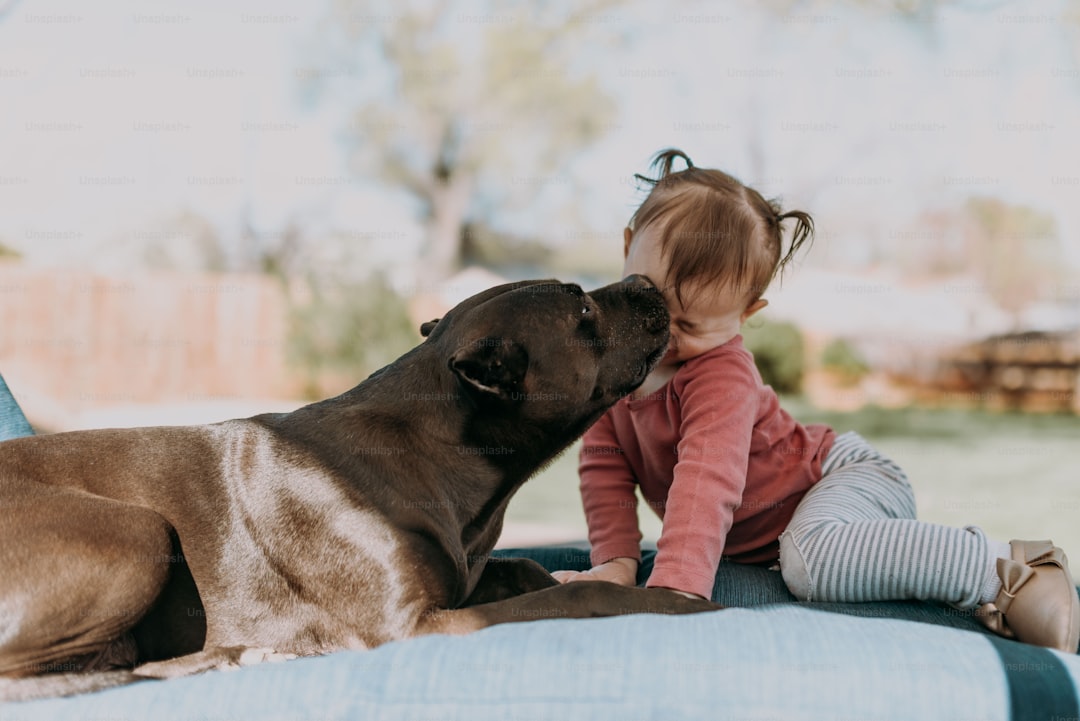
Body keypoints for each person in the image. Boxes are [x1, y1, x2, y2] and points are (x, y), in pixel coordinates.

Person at [551, 148, 1080, 652]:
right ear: (626, 247)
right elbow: (605, 467)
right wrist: (615, 564)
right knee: (808, 555)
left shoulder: (720, 374)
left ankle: (1011, 569)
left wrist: (678, 589)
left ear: (746, 312)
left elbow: (705, 479)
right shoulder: (609, 367)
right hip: (810, 518)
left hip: (843, 478)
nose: (661, 332)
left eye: (688, 324)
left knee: (812, 561)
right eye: (648, 299)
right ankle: (957, 590)